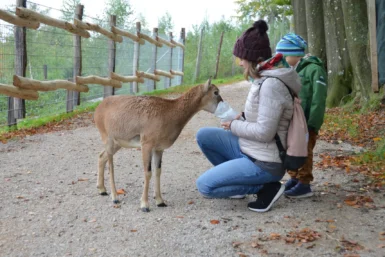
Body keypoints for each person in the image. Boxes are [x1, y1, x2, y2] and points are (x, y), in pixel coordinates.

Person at [195, 20, 302, 212]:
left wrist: (233, 126)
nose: (240, 63)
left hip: (265, 162)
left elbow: (264, 132)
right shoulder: (263, 78)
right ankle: (237, 183)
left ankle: (266, 187)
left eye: (241, 58)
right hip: (251, 149)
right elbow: (263, 118)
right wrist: (241, 118)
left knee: (205, 186)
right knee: (204, 135)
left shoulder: (271, 85)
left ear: (252, 57)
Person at [275, 33, 328, 198]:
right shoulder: (291, 70)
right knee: (292, 148)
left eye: (283, 55)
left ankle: (304, 184)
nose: (280, 59)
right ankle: (295, 177)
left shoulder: (314, 69)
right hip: (293, 121)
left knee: (305, 151)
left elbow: (318, 99)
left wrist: (313, 123)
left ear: (294, 54)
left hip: (307, 122)